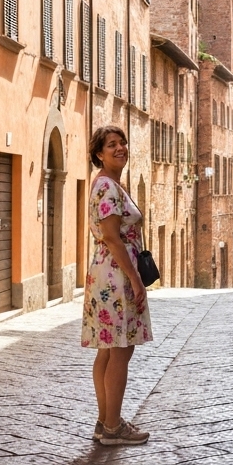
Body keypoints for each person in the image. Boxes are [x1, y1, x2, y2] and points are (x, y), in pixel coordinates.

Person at [82, 124, 153, 446]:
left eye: (122, 142)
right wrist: (136, 280)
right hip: (117, 275)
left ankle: (105, 421)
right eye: (112, 144)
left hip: (106, 273)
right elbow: (112, 237)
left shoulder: (107, 184)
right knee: (121, 350)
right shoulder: (108, 187)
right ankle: (113, 427)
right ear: (99, 153)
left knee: (109, 352)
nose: (120, 147)